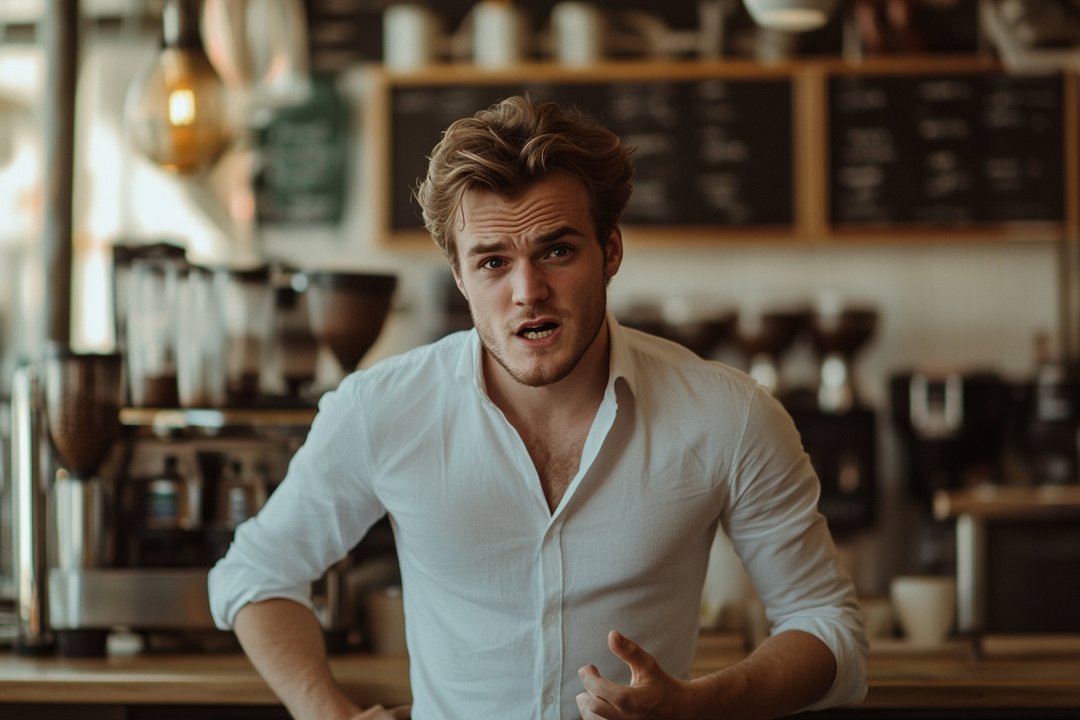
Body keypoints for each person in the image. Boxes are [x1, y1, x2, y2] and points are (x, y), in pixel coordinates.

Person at [208, 95, 867, 720]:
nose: (528, 291)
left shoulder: (731, 415)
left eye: (556, 250)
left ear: (610, 251)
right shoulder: (381, 409)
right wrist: (326, 713)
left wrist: (699, 706)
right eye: (493, 262)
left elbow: (828, 627)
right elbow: (255, 575)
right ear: (460, 277)